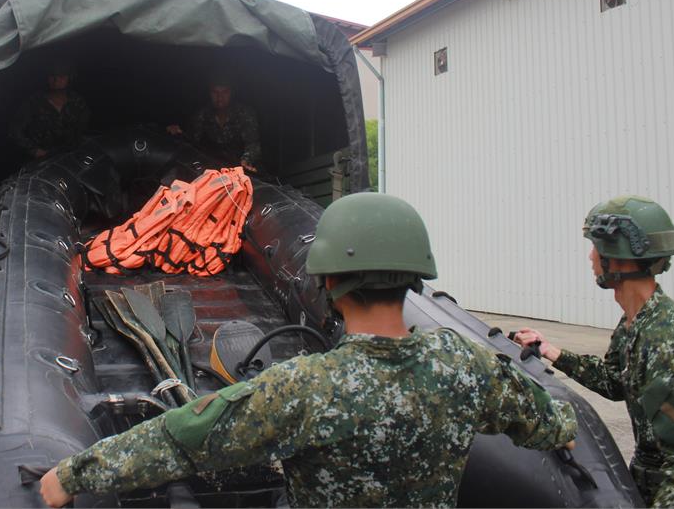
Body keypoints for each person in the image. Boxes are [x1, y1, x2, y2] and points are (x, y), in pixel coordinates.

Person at [40, 192, 577, 507]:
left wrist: (69, 477)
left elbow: (180, 441)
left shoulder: (304, 387)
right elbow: (548, 422)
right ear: (416, 280)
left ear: (327, 282)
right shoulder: (467, 367)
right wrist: (563, 427)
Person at [513, 195, 674, 507]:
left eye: (597, 249)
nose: (591, 258)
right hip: (647, 484)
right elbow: (615, 382)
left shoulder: (661, 340)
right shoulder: (636, 320)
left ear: (618, 259)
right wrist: (550, 351)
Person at [167, 76, 260, 172]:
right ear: (209, 93)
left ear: (232, 93)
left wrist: (246, 160)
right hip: (213, 167)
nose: (220, 97)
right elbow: (192, 142)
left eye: (225, 92)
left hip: (240, 167)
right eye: (215, 92)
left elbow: (253, 144)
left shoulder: (245, 113)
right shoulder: (202, 114)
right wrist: (179, 134)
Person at [13, 59, 90, 160]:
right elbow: (15, 131)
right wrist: (34, 150)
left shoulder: (77, 101)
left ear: (69, 78)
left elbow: (84, 128)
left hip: (70, 157)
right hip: (41, 161)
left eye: (61, 76)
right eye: (52, 76)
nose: (56, 80)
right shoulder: (34, 102)